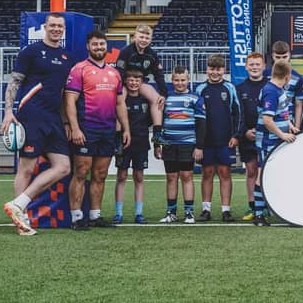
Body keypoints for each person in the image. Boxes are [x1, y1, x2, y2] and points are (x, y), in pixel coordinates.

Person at [2, 12, 73, 236]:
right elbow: (14, 82)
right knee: (26, 168)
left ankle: (18, 204)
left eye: (59, 26)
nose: (56, 29)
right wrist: (7, 112)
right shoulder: (30, 52)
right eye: (52, 25)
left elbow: (61, 93)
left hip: (53, 118)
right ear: (45, 27)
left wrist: (65, 121)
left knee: (63, 166)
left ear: (63, 29)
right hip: (31, 114)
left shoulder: (66, 58)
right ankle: (20, 221)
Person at [65, 30, 131, 230]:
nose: (99, 48)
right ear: (88, 46)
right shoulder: (79, 69)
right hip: (86, 130)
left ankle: (95, 216)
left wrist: (126, 128)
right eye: (95, 44)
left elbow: (120, 103)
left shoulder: (114, 73)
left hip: (108, 130)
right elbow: (69, 101)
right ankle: (77, 218)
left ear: (106, 46)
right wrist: (75, 128)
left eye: (102, 44)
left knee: (101, 174)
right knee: (81, 172)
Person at [194, 54, 240, 223]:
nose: (215, 72)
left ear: (224, 70)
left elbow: (237, 113)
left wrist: (236, 135)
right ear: (207, 70)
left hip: (225, 139)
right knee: (207, 173)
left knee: (224, 173)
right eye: (212, 69)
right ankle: (206, 209)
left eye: (218, 69)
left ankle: (226, 210)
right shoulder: (200, 89)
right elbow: (196, 118)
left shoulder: (230, 88)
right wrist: (197, 142)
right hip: (206, 141)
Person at [253, 60, 298, 226]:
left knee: (275, 174)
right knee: (262, 174)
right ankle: (258, 214)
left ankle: (273, 209)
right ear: (287, 77)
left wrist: (290, 126)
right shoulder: (271, 91)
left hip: (276, 138)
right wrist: (282, 134)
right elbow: (267, 120)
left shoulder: (278, 89)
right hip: (268, 140)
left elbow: (282, 113)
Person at [156, 66, 201, 224]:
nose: (180, 83)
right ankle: (171, 212)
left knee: (187, 176)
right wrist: (158, 143)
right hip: (169, 144)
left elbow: (202, 124)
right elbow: (159, 122)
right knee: (171, 177)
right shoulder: (165, 98)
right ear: (172, 80)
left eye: (183, 80)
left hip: (188, 143)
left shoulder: (195, 98)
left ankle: (189, 213)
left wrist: (199, 146)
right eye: (176, 80)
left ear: (188, 80)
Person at [112, 69, 152, 224]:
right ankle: (118, 213)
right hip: (124, 142)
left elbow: (150, 119)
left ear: (141, 82)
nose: (134, 83)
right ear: (126, 81)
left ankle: (139, 213)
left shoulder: (145, 100)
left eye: (137, 80)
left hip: (141, 142)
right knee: (121, 176)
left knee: (139, 177)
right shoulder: (121, 99)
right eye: (131, 80)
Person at [115, 24, 167, 137]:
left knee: (157, 99)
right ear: (135, 37)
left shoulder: (152, 54)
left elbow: (159, 75)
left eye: (147, 38)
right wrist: (122, 88)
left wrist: (164, 94)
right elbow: (119, 73)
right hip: (124, 82)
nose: (144, 40)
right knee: (118, 101)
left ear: (151, 40)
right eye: (141, 37)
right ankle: (118, 136)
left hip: (140, 83)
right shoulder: (125, 51)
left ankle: (157, 134)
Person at [235, 52, 268, 221]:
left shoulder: (270, 86)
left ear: (264, 66)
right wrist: (245, 132)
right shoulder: (239, 88)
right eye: (252, 64)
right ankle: (252, 206)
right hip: (247, 137)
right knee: (251, 171)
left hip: (268, 136)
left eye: (258, 64)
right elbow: (238, 114)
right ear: (246, 66)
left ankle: (268, 206)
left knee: (267, 172)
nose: (255, 67)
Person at [264, 41, 303, 129]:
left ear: (289, 55)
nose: (281, 60)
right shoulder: (264, 75)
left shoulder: (298, 78)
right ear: (272, 56)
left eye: (284, 57)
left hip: (288, 123)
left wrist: (297, 127)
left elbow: (299, 105)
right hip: (268, 122)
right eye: (278, 57)